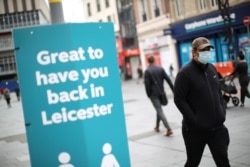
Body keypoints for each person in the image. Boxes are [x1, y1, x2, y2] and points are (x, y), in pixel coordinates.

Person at [174, 37, 230, 167]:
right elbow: (179, 99)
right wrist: (195, 120)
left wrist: (222, 111)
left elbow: (218, 92)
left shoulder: (212, 69)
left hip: (217, 128)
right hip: (195, 130)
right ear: (194, 52)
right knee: (193, 162)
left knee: (223, 161)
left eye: (208, 49)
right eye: (203, 50)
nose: (207, 52)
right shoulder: (185, 73)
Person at [144, 55, 174, 136]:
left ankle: (169, 129)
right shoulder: (160, 69)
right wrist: (173, 90)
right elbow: (168, 79)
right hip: (161, 93)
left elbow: (147, 85)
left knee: (159, 110)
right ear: (154, 60)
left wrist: (148, 94)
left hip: (153, 94)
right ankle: (157, 126)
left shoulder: (147, 71)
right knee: (158, 109)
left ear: (148, 61)